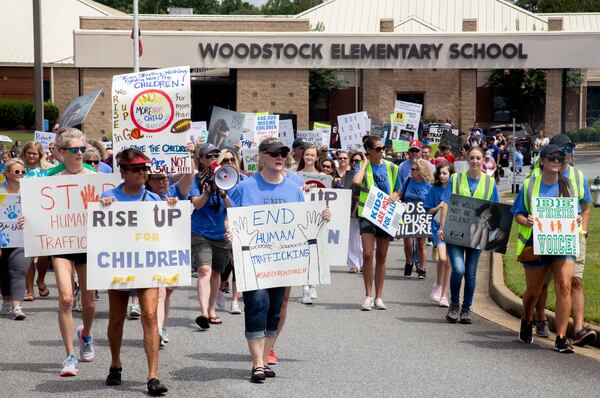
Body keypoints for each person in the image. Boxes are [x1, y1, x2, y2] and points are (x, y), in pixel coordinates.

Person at [227, 137, 330, 383]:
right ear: (261, 156)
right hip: (254, 260)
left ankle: (263, 358)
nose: (280, 157)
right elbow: (230, 216)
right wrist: (229, 229)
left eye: (283, 152)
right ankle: (257, 364)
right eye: (274, 153)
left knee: (275, 309)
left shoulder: (294, 188)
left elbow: (303, 222)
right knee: (257, 304)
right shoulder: (245, 187)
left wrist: (323, 216)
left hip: (282, 261)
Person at [100, 148, 170, 394]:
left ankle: (152, 376)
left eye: (144, 169)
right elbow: (100, 230)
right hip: (118, 264)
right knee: (116, 318)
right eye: (136, 169)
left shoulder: (153, 199)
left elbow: (166, 231)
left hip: (147, 263)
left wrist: (170, 210)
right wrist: (103, 207)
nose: (142, 173)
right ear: (123, 171)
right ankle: (115, 364)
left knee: (150, 316)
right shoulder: (109, 196)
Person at [37, 128, 97, 376]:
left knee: (89, 302)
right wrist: (25, 220)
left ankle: (86, 334)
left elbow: (113, 201)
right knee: (66, 299)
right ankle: (69, 356)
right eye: (75, 150)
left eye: (83, 149)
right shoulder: (49, 177)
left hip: (87, 242)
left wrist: (107, 202)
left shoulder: (94, 177)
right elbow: (33, 206)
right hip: (60, 242)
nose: (81, 153)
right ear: (62, 153)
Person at [512, 145, 580, 353]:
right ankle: (526, 317)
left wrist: (576, 218)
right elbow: (518, 214)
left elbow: (575, 212)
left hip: (562, 243)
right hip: (536, 244)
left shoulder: (568, 185)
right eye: (551, 158)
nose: (556, 161)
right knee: (533, 292)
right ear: (542, 161)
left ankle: (561, 337)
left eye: (560, 158)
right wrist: (527, 221)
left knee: (564, 285)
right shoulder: (530, 184)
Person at [531, 134, 595, 346]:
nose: (566, 154)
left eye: (569, 150)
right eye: (563, 150)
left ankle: (577, 329)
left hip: (571, 238)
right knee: (542, 283)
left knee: (572, 282)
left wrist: (583, 231)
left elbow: (586, 208)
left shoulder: (577, 177)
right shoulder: (537, 177)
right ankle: (540, 319)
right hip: (543, 238)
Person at [437, 146, 500, 324]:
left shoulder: (490, 183)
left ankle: (466, 308)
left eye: (478, 158)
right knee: (458, 269)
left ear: (483, 160)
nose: (475, 161)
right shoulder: (456, 179)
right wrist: (442, 227)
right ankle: (454, 304)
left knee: (471, 273)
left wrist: (498, 237)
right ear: (467, 160)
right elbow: (446, 204)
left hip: (477, 234)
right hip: (455, 232)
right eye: (472, 158)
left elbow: (497, 211)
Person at [145, 143, 194, 348]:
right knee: (161, 291)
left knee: (167, 292)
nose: (162, 181)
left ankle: (160, 325)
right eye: (157, 178)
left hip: (172, 249)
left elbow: (189, 175)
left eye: (165, 177)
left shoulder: (176, 191)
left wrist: (189, 153)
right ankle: (157, 331)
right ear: (148, 181)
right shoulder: (142, 196)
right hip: (150, 250)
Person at [353, 136, 400, 311]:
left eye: (383, 148)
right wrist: (364, 163)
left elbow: (398, 189)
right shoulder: (363, 167)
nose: (382, 151)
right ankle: (368, 295)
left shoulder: (391, 167)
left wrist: (395, 196)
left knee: (381, 255)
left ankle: (379, 297)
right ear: (370, 151)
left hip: (385, 213)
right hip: (367, 213)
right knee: (367, 254)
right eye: (378, 149)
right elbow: (356, 182)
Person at [189, 144, 232, 329]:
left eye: (215, 155)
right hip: (200, 231)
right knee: (204, 271)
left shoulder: (229, 177)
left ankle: (212, 308)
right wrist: (207, 190)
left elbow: (232, 208)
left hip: (220, 233)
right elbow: (197, 205)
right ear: (201, 159)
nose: (212, 159)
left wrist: (222, 192)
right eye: (208, 156)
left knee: (216, 273)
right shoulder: (195, 180)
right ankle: (204, 313)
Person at [19, 141, 52, 301]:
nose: (31, 156)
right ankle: (29, 290)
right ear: (24, 153)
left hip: (44, 216)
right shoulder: (18, 168)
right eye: (29, 153)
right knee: (29, 255)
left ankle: (41, 279)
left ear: (40, 155)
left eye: (35, 153)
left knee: (44, 254)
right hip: (23, 216)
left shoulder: (48, 169)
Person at [0, 159, 31, 320]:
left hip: (22, 238)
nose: (20, 174)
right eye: (16, 172)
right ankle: (6, 300)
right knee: (3, 271)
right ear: (6, 173)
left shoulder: (31, 192)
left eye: (22, 172)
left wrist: (29, 219)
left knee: (19, 270)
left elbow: (40, 214)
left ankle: (16, 307)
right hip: (2, 238)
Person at [424, 161, 454, 307]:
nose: (442, 176)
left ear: (450, 174)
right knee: (442, 258)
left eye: (445, 173)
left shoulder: (455, 189)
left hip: (453, 227)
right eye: (440, 173)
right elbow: (427, 209)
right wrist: (439, 206)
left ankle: (444, 295)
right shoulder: (434, 190)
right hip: (437, 227)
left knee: (449, 261)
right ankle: (438, 283)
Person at [399, 159, 433, 278]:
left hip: (422, 216)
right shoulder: (408, 181)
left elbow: (432, 202)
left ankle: (422, 268)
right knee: (407, 241)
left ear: (421, 171)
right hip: (408, 215)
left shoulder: (428, 185)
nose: (411, 171)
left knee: (421, 244)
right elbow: (400, 193)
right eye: (411, 169)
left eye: (414, 169)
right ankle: (409, 262)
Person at [346, 151, 365, 273]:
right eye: (353, 161)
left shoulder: (368, 173)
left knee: (363, 238)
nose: (354, 163)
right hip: (351, 208)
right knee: (352, 237)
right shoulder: (348, 175)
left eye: (357, 161)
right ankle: (353, 264)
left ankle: (364, 262)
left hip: (364, 208)